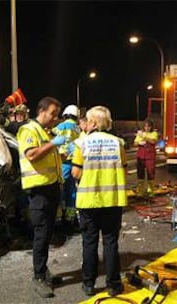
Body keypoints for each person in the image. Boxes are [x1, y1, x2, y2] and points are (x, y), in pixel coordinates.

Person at [71, 105, 127, 297]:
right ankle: (114, 284)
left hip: (89, 201)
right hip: (112, 199)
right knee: (111, 242)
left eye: (87, 120)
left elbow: (76, 172)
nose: (85, 124)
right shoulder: (118, 143)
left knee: (89, 242)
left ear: (93, 122)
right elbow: (124, 169)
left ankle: (88, 284)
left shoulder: (82, 144)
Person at [17, 97, 65, 298]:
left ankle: (43, 270)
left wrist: (62, 153)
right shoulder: (28, 130)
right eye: (53, 113)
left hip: (51, 188)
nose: (55, 118)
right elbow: (32, 155)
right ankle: (38, 276)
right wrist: (53, 143)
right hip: (38, 191)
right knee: (41, 233)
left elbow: (49, 157)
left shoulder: (46, 132)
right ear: (41, 110)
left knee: (47, 233)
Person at [52, 104, 81, 228]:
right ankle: (71, 217)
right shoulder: (78, 129)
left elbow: (51, 138)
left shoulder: (60, 126)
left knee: (59, 189)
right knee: (72, 190)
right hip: (75, 163)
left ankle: (58, 217)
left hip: (62, 162)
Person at [133, 119, 158, 196]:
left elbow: (153, 141)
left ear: (151, 127)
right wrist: (139, 142)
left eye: (148, 126)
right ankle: (141, 191)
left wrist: (144, 137)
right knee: (140, 173)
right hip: (141, 155)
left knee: (150, 172)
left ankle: (151, 191)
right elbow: (135, 143)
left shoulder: (154, 133)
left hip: (150, 156)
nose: (147, 128)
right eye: (145, 126)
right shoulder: (140, 134)